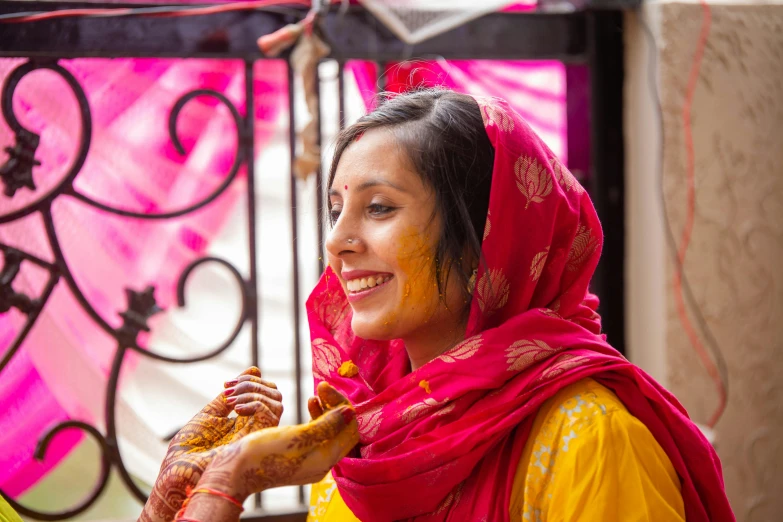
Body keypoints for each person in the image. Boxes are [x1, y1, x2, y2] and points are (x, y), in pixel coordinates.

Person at [147, 88, 735, 521]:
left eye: (378, 208)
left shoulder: (587, 439)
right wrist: (220, 477)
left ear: (491, 234)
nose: (336, 241)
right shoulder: (363, 438)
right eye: (336, 209)